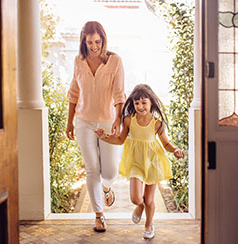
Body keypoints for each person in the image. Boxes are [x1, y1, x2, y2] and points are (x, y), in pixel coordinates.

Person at [95, 84, 185, 240]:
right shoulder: (129, 120)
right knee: (136, 198)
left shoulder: (157, 123)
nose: (140, 106)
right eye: (137, 103)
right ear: (133, 104)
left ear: (151, 102)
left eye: (144, 102)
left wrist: (175, 149)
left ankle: (149, 225)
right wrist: (104, 137)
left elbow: (166, 144)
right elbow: (120, 140)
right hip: (136, 161)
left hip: (153, 162)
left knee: (149, 199)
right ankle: (140, 207)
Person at [66, 21, 126, 232]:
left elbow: (119, 94)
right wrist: (69, 122)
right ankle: (99, 216)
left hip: (108, 121)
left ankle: (107, 188)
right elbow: (74, 93)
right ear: (84, 41)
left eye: (97, 41)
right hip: (84, 122)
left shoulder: (114, 61)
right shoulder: (78, 61)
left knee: (109, 171)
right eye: (90, 42)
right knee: (92, 169)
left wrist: (118, 118)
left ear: (103, 39)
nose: (94, 46)